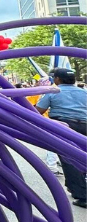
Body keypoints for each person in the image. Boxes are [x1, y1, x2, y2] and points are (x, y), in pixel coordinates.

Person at [37, 67, 87, 208]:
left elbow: (38, 111)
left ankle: (82, 195)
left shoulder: (53, 91)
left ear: (57, 79)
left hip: (64, 127)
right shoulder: (84, 92)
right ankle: (74, 185)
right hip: (85, 125)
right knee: (82, 155)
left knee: (69, 159)